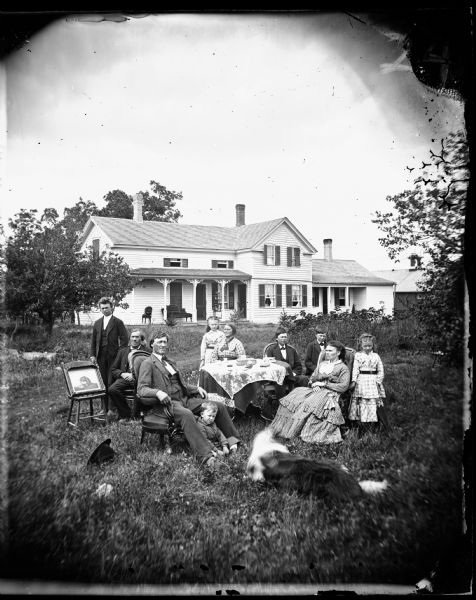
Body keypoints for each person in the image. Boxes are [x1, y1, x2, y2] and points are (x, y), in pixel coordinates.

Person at [137, 331, 240, 468]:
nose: (163, 344)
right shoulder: (148, 363)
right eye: (159, 342)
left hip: (184, 399)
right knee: (187, 414)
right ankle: (207, 456)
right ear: (152, 344)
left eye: (164, 342)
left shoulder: (169, 362)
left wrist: (196, 389)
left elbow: (182, 385)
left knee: (218, 406)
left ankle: (233, 441)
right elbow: (141, 389)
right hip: (167, 403)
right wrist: (158, 393)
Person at [270, 340, 350, 444]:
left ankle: (303, 431)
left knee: (310, 404)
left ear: (338, 353)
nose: (327, 353)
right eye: (326, 350)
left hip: (330, 393)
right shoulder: (323, 364)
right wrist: (313, 384)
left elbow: (343, 386)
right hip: (315, 390)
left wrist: (324, 385)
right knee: (295, 396)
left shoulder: (343, 368)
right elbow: (312, 378)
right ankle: (284, 429)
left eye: (330, 351)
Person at [89, 297, 129, 411]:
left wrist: (120, 354)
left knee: (112, 381)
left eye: (107, 307)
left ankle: (112, 408)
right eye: (102, 308)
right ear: (100, 309)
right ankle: (104, 407)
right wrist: (92, 355)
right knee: (103, 382)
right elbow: (93, 341)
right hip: (101, 356)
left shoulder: (117, 322)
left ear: (112, 307)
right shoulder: (97, 323)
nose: (105, 310)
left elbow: (124, 340)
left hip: (114, 356)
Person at [348, 333, 388, 436]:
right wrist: (354, 381)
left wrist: (378, 381)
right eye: (365, 346)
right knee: (361, 401)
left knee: (373, 401)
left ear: (372, 346)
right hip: (362, 381)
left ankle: (374, 422)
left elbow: (381, 370)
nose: (367, 348)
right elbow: (355, 369)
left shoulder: (376, 356)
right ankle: (360, 424)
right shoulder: (358, 355)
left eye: (369, 346)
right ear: (361, 345)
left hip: (373, 381)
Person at [108, 329, 150, 421]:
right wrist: (123, 374)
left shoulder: (147, 351)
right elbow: (113, 369)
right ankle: (125, 414)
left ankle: (138, 415)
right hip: (126, 378)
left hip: (141, 379)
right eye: (132, 337)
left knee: (140, 391)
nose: (134, 339)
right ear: (129, 338)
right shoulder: (122, 351)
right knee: (112, 389)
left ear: (141, 339)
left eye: (137, 337)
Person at [265, 328, 308, 397]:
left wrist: (293, 373)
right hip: (278, 377)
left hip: (291, 376)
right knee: (280, 383)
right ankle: (282, 402)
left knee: (304, 379)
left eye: (285, 337)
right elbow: (269, 366)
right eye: (282, 337)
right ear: (277, 338)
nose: (284, 339)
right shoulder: (271, 350)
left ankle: (302, 400)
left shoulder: (291, 350)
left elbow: (298, 366)